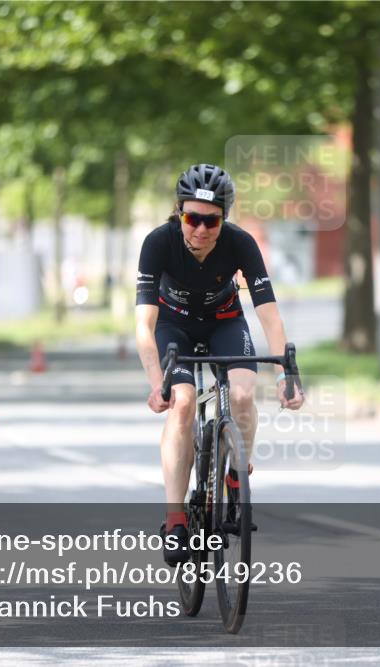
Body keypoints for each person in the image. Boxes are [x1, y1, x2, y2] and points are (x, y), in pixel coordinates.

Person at [135, 163, 304, 566]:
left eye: (211, 221)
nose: (201, 229)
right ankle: (176, 520)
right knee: (183, 403)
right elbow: (144, 324)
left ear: (224, 218)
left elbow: (269, 316)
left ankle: (236, 473)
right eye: (192, 218)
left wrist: (286, 374)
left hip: (224, 323)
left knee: (243, 395)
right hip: (173, 328)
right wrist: (157, 382)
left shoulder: (240, 243)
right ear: (179, 212)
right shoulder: (158, 242)